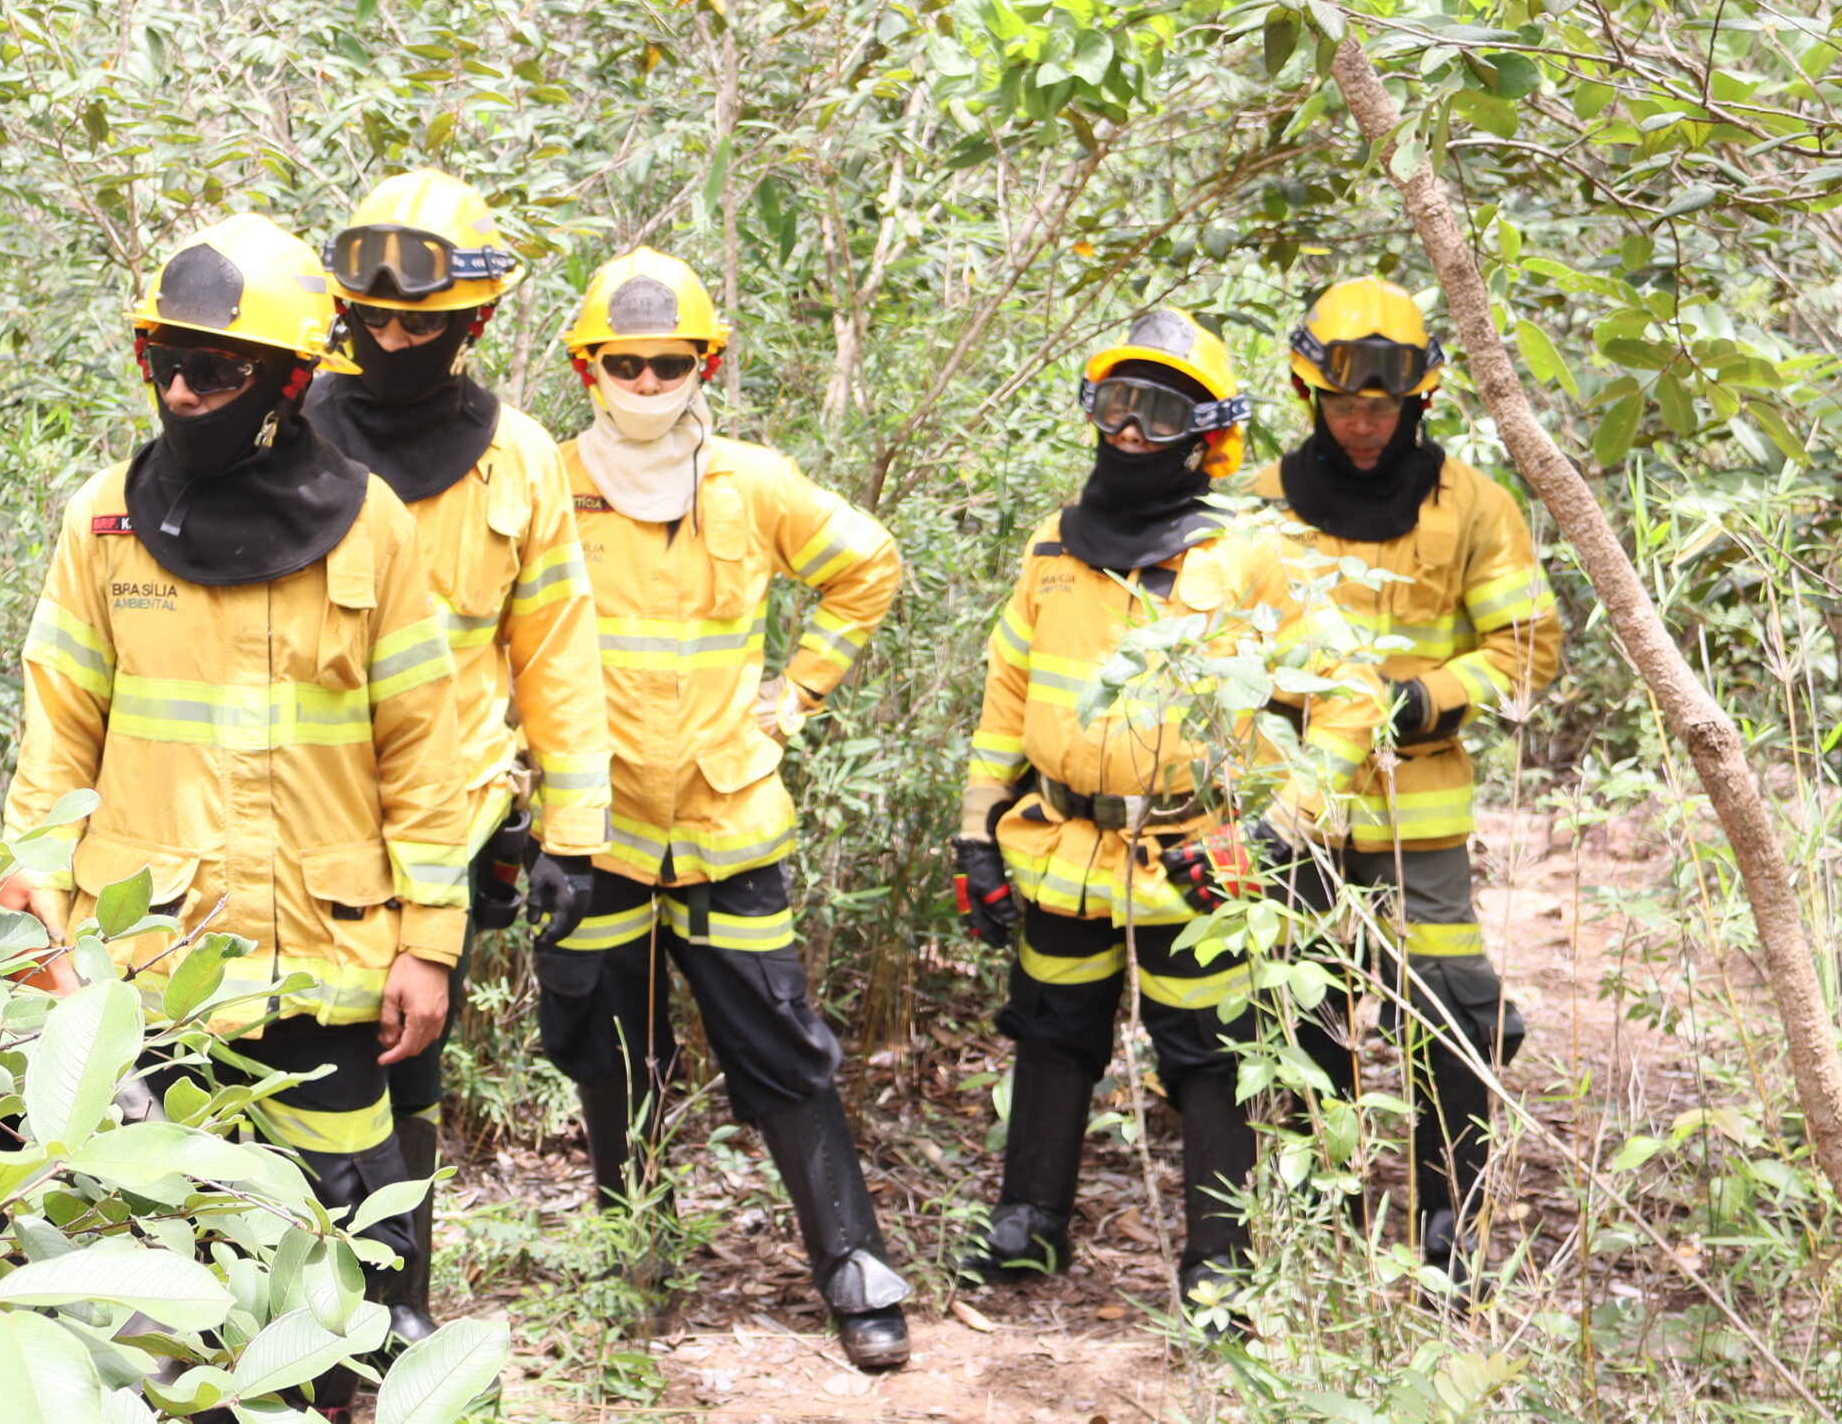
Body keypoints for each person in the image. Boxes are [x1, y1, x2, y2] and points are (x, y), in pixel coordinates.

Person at [0, 213, 472, 1372]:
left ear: (288, 379)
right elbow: (57, 742)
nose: (184, 390)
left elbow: (423, 753)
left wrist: (431, 942)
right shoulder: (102, 523)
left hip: (331, 962)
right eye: (165, 361)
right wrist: (39, 921)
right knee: (162, 1269)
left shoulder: (375, 527)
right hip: (149, 969)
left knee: (334, 1260)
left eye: (214, 367)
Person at [951, 307, 1378, 1322]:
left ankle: (1220, 1268)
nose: (1129, 429)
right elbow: (1007, 693)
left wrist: (1276, 831)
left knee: (1206, 1053)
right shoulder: (1051, 545)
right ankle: (1026, 1225)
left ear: (1208, 431)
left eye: (1158, 408)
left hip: (1197, 855)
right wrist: (975, 829)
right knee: (1051, 1032)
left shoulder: (1247, 552)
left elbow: (1350, 693)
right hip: (1058, 845)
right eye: (1113, 403)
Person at [538, 248, 911, 1371]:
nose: (646, 385)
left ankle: (853, 1266)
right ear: (586, 367)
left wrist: (794, 691)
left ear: (706, 364)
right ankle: (635, 1257)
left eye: (668, 364)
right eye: (624, 364)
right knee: (608, 1047)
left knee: (782, 1044)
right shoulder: (545, 483)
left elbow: (869, 566)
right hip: (590, 822)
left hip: (724, 815)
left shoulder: (753, 480)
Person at [302, 169, 611, 1333]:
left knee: (406, 1051)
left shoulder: (519, 459)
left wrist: (572, 838)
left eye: (417, 324)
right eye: (370, 317)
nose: (389, 338)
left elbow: (558, 654)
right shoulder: (287, 432)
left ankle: (398, 1303)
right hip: (300, 803)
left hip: (449, 820)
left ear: (471, 322)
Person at [1254, 277, 1561, 1289]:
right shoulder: (1257, 504)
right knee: (1303, 1011)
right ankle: (1320, 1214)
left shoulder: (1470, 501)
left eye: (1382, 405)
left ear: (1419, 399)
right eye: (1343, 403)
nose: (1362, 422)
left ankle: (1447, 1226)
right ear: (1309, 395)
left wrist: (1431, 696)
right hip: (1294, 813)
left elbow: (1526, 643)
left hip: (1418, 814)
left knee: (1448, 1010)